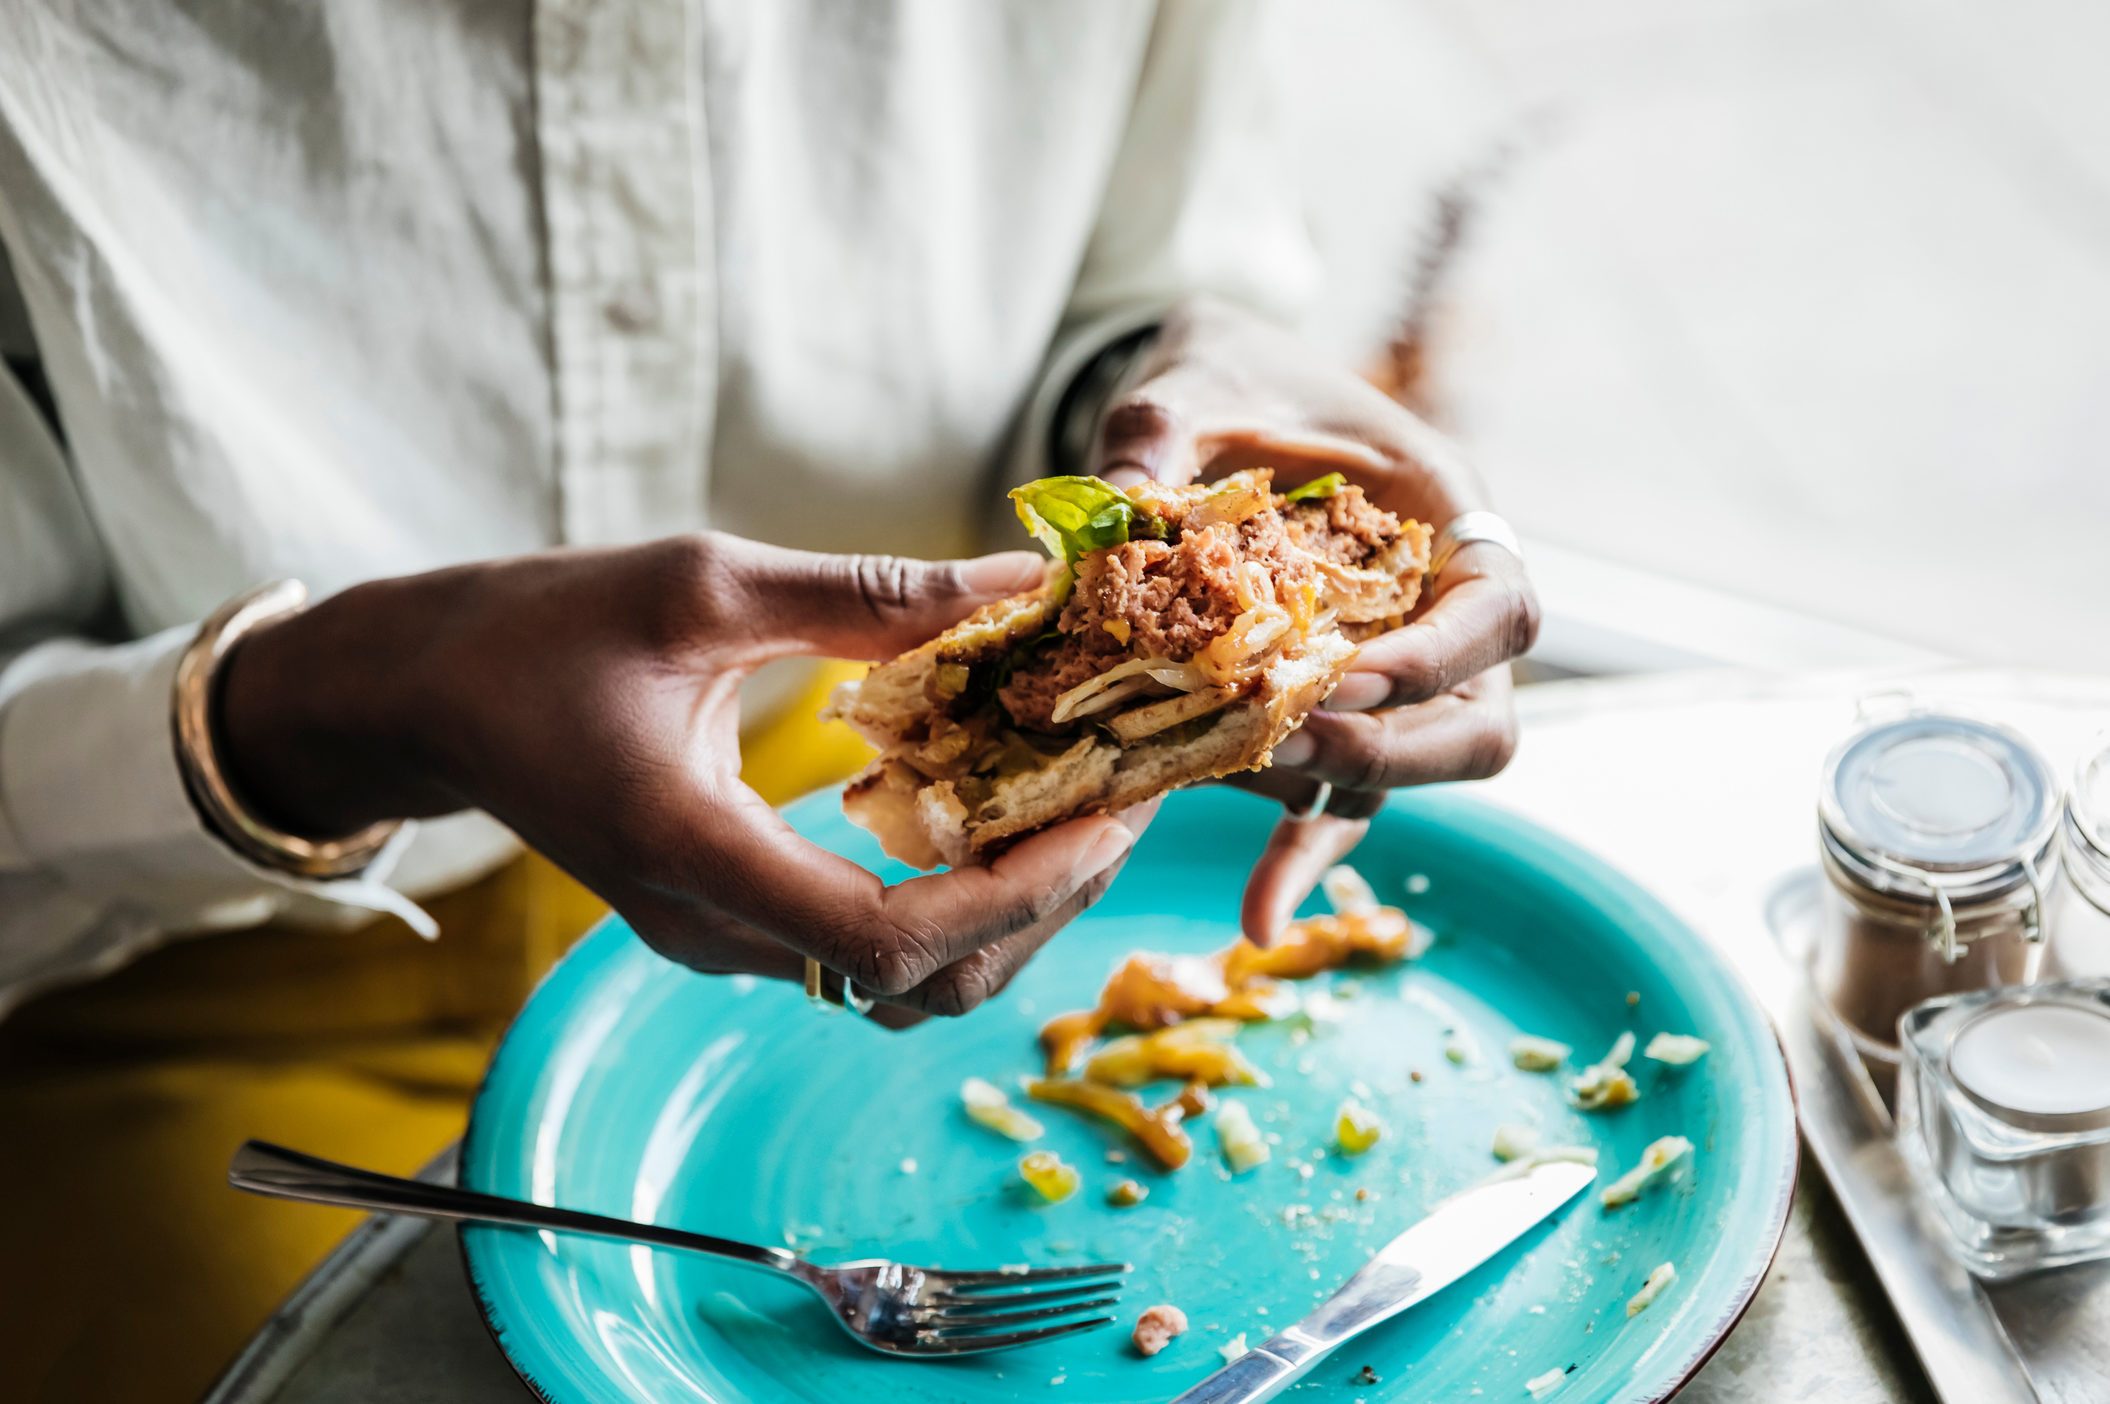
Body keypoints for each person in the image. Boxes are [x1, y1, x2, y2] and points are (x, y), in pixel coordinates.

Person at [0, 2, 1537, 1398]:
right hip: (169, 976)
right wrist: (359, 702)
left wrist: (1173, 423)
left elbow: (1141, 264)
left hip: (854, 840)